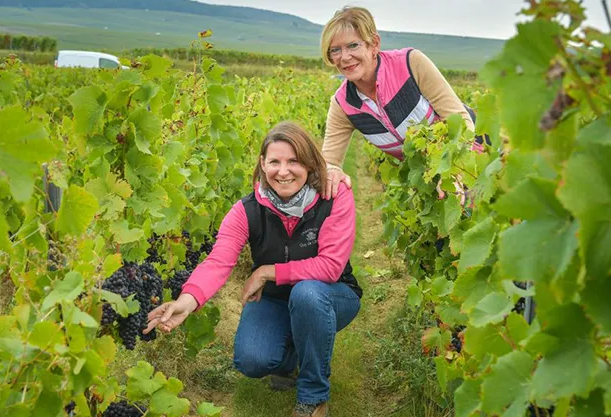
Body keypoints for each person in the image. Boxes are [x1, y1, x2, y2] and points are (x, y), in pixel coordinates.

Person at [144, 121, 362, 417]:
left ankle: (313, 396)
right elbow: (219, 260)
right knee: (252, 359)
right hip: (274, 299)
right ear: (262, 163)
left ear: (310, 163)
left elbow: (331, 267)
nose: (283, 171)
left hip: (331, 295)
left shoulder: (333, 197)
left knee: (308, 295)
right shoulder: (247, 209)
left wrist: (265, 272)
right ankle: (290, 360)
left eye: (294, 161)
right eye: (274, 161)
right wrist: (186, 301)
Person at [319, 6, 488, 199]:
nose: (345, 57)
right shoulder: (343, 105)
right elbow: (330, 162)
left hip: (477, 155)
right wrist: (332, 172)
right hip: (433, 181)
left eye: (353, 45)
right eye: (335, 50)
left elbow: (460, 120)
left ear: (374, 44)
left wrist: (453, 172)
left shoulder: (410, 64)